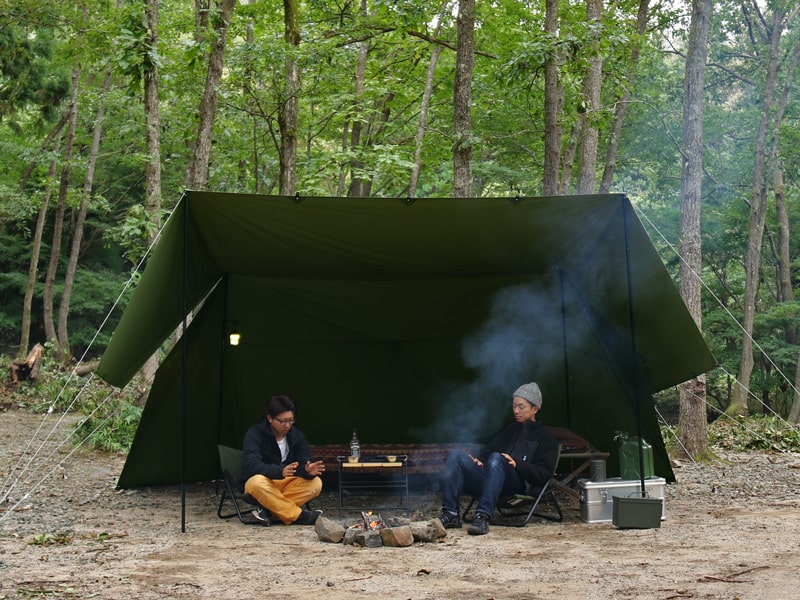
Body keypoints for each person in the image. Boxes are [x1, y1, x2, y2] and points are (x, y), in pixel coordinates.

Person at [437, 382, 558, 536]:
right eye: (514, 406)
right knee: (457, 455)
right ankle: (451, 514)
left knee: (497, 458)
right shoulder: (510, 429)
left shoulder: (546, 438)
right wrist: (479, 460)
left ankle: (482, 516)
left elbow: (545, 474)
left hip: (517, 484)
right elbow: (487, 451)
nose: (516, 411)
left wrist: (518, 465)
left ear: (535, 409)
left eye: (521, 407)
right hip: (492, 479)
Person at [242, 395, 326, 525]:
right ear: (270, 418)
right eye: (283, 421)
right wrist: (280, 471)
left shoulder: (297, 435)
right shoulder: (255, 433)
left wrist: (307, 470)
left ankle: (270, 510)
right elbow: (251, 464)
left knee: (316, 483)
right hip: (264, 483)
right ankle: (299, 516)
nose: (287, 425)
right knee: (256, 482)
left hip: (286, 484)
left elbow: (303, 463)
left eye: (291, 420)